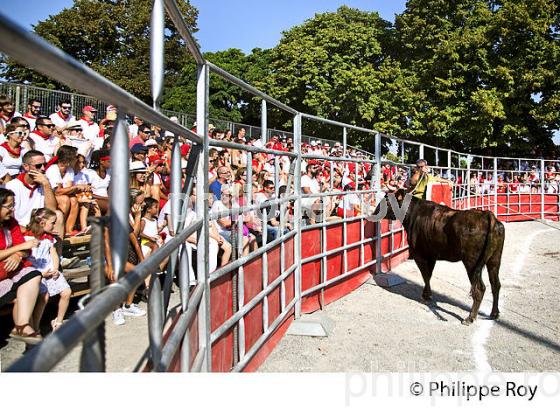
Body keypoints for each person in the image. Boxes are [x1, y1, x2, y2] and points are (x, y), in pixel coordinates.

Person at [0, 188, 42, 344]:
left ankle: (22, 325)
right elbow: (21, 246)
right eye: (9, 206)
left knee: (33, 274)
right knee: (20, 296)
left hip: (8, 273)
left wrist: (18, 255)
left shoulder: (11, 223)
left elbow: (27, 248)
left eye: (13, 205)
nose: (12, 209)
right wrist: (17, 250)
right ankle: (23, 328)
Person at [24, 208, 71, 332]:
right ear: (42, 223)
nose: (55, 225)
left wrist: (56, 268)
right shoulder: (27, 239)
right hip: (36, 273)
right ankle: (35, 327)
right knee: (43, 297)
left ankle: (58, 322)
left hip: (50, 270)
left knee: (66, 292)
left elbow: (54, 254)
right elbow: (25, 260)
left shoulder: (49, 238)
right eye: (53, 223)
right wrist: (40, 274)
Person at [5, 149, 58, 228]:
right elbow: (8, 218)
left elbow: (52, 209)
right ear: (26, 166)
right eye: (38, 166)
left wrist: (46, 184)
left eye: (45, 164)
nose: (43, 168)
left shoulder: (44, 183)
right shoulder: (12, 186)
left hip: (39, 226)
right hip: (19, 228)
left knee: (58, 215)